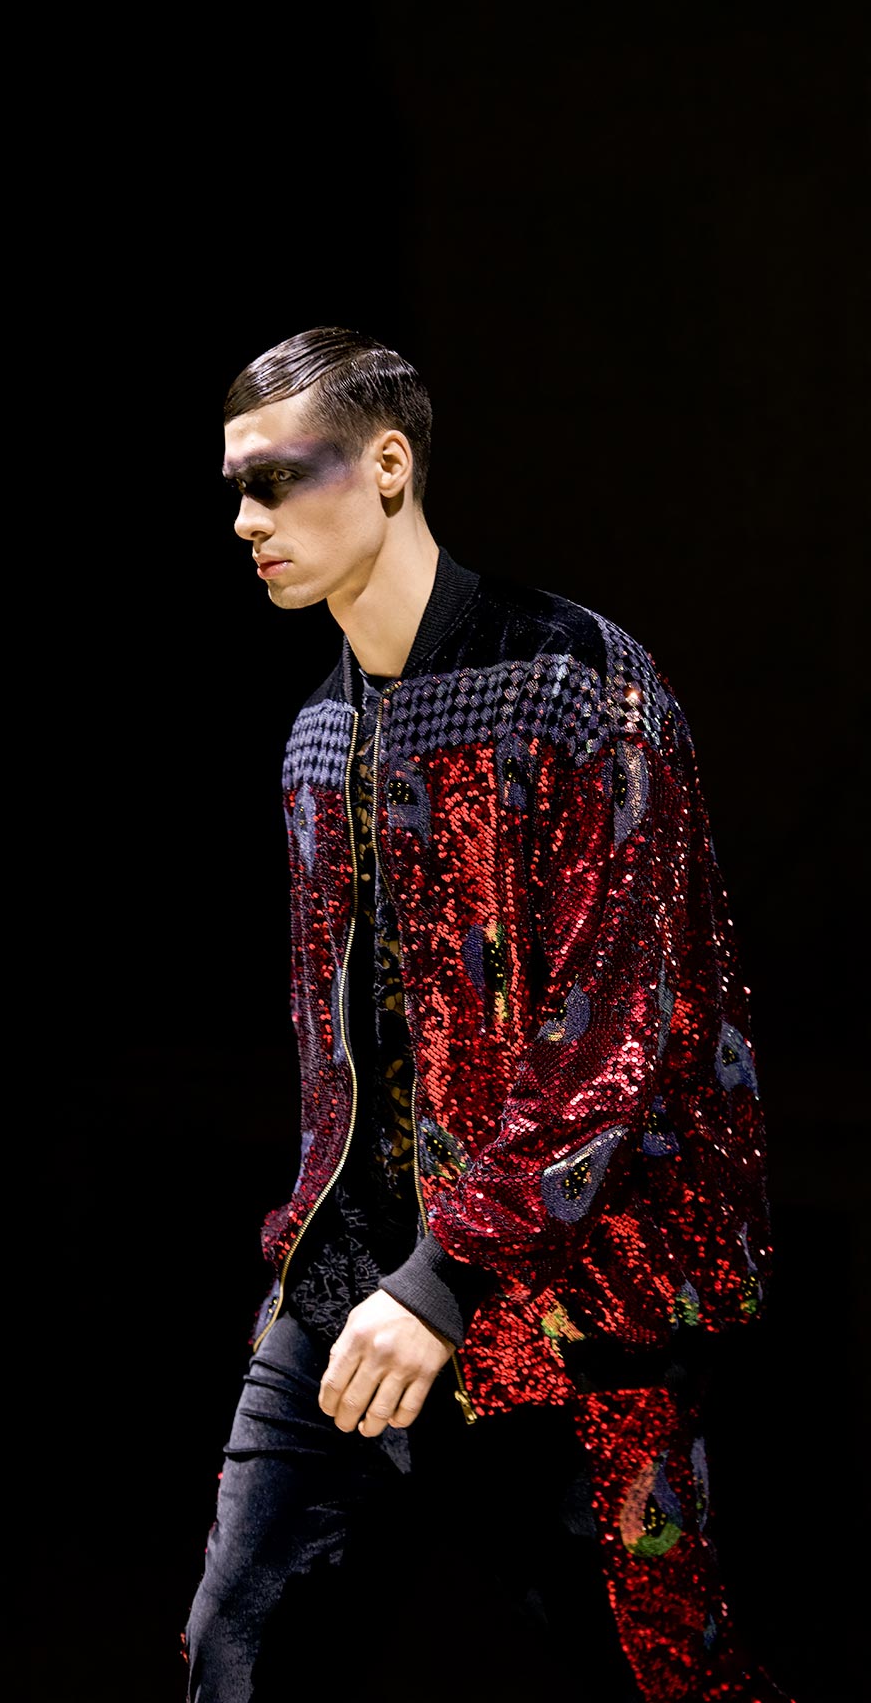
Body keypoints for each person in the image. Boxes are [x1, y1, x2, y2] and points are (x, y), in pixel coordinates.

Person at [182, 326, 794, 1703]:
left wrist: (449, 1276)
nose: (246, 520)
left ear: (387, 466)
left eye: (276, 480)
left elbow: (623, 1029)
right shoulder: (315, 738)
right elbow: (341, 1055)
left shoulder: (575, 684)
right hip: (347, 1292)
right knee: (237, 1649)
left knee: (661, 1671)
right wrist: (336, 1267)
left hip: (569, 1304)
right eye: (236, 488)